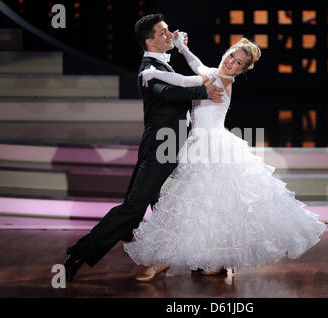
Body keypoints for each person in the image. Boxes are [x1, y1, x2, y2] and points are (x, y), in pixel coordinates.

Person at [123, 33, 327, 282]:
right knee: (205, 205)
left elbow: (184, 80)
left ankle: (169, 259)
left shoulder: (219, 79)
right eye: (231, 56)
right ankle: (210, 259)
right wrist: (181, 48)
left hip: (212, 147)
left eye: (239, 63)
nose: (232, 62)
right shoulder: (213, 73)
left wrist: (153, 74)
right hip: (201, 144)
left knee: (199, 203)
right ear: (225, 53)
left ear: (242, 71)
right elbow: (196, 64)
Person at [63, 13, 224, 282]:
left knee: (177, 205)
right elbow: (168, 93)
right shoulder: (147, 69)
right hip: (160, 148)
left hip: (173, 146)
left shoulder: (163, 65)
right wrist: (202, 92)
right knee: (133, 209)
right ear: (150, 40)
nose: (169, 34)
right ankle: (78, 252)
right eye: (163, 32)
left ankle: (198, 258)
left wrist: (184, 51)